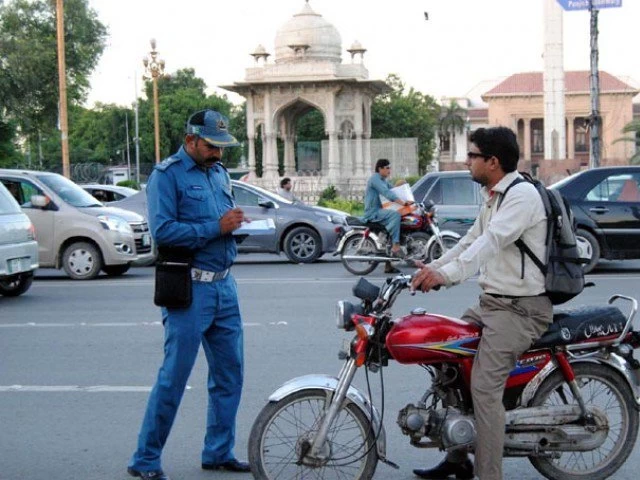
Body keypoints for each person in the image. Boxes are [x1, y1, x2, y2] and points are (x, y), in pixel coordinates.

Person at [411, 127, 552, 480]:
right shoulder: (495, 196)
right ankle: (458, 459)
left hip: (521, 310)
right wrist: (434, 267)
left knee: (485, 389)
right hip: (492, 305)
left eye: (472, 155)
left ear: (492, 161)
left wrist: (449, 276)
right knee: (448, 365)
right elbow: (469, 241)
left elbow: (490, 242)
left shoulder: (521, 197)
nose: (466, 161)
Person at [127, 109, 250, 480]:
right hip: (189, 290)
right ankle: (145, 460)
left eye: (222, 147)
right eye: (212, 146)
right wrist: (216, 227)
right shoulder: (166, 176)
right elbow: (163, 232)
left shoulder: (218, 172)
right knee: (174, 377)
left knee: (230, 375)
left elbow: (221, 219)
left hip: (224, 286)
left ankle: (217, 452)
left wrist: (233, 226)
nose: (218, 153)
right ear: (191, 140)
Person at [363, 158, 412, 274]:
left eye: (390, 167)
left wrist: (403, 188)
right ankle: (395, 246)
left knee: (399, 222)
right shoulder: (375, 179)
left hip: (380, 210)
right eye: (387, 168)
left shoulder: (383, 180)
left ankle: (388, 265)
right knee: (395, 215)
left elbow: (393, 190)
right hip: (373, 211)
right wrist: (403, 203)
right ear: (380, 169)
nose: (389, 170)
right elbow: (387, 193)